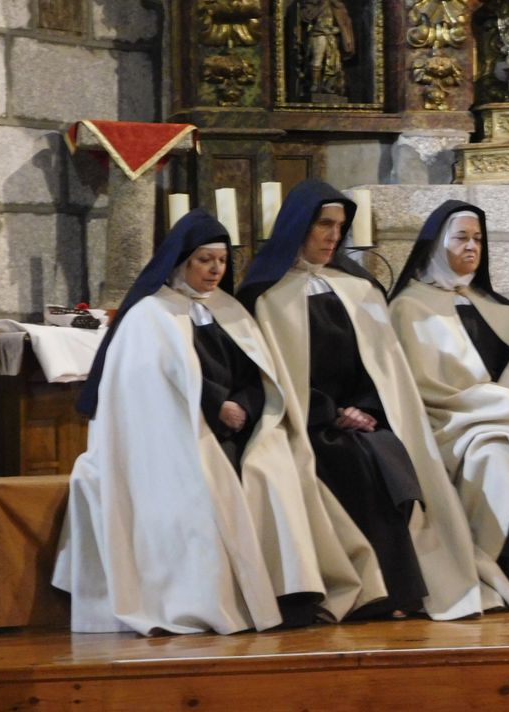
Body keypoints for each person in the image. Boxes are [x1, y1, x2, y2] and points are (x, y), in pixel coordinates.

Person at [53, 209, 372, 635]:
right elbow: (151, 386)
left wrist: (244, 404)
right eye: (205, 260)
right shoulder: (150, 314)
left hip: (240, 429)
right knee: (209, 484)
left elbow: (261, 376)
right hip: (178, 435)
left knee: (278, 471)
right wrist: (218, 404)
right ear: (181, 261)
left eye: (221, 261)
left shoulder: (228, 309)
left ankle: (292, 595)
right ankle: (223, 600)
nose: (215, 270)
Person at [238, 180, 509, 620]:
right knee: (355, 464)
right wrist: (329, 413)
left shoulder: (359, 289)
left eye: (340, 227)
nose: (334, 236)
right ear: (298, 226)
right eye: (324, 225)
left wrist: (366, 407)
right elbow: (268, 375)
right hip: (304, 421)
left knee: (391, 460)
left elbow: (383, 366)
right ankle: (377, 593)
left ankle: (403, 591)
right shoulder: (265, 295)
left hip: (362, 417)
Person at [389, 200, 509, 606]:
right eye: (461, 237)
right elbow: (421, 386)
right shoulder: (408, 308)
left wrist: (504, 405)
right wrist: (494, 404)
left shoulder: (498, 308)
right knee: (498, 459)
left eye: (478, 239)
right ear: (436, 244)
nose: (472, 246)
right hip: (450, 425)